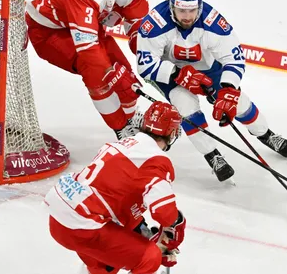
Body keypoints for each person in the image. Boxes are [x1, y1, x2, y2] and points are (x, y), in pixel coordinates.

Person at [135, 0, 287, 183]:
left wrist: (228, 89)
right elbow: (145, 66)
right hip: (170, 74)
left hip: (208, 68)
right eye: (181, 10)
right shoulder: (154, 23)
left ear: (199, 5)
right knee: (185, 109)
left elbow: (234, 58)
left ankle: (266, 134)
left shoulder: (212, 21)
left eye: (192, 10)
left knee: (237, 102)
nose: (187, 16)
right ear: (172, 5)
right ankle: (213, 156)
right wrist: (177, 74)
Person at [45, 101, 186, 274]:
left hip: (60, 221)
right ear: (171, 133)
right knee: (149, 258)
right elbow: (165, 213)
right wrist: (176, 223)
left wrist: (144, 233)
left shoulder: (123, 144)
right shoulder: (155, 160)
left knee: (107, 264)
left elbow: (115, 196)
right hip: (84, 227)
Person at [26, 0, 149, 140]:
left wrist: (146, 56)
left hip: (85, 25)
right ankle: (120, 128)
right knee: (95, 72)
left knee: (124, 71)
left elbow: (138, 26)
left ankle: (132, 118)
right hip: (48, 31)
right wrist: (111, 74)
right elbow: (88, 48)